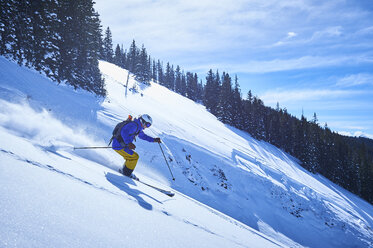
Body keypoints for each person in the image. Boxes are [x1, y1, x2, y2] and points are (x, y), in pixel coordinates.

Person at [112, 114, 161, 178]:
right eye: (147, 124)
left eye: (149, 125)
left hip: (121, 144)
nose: (147, 127)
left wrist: (154, 140)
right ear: (142, 121)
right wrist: (129, 143)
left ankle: (125, 170)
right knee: (134, 157)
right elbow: (124, 131)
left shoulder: (138, 127)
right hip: (119, 145)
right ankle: (126, 173)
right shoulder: (134, 126)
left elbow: (143, 136)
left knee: (132, 157)